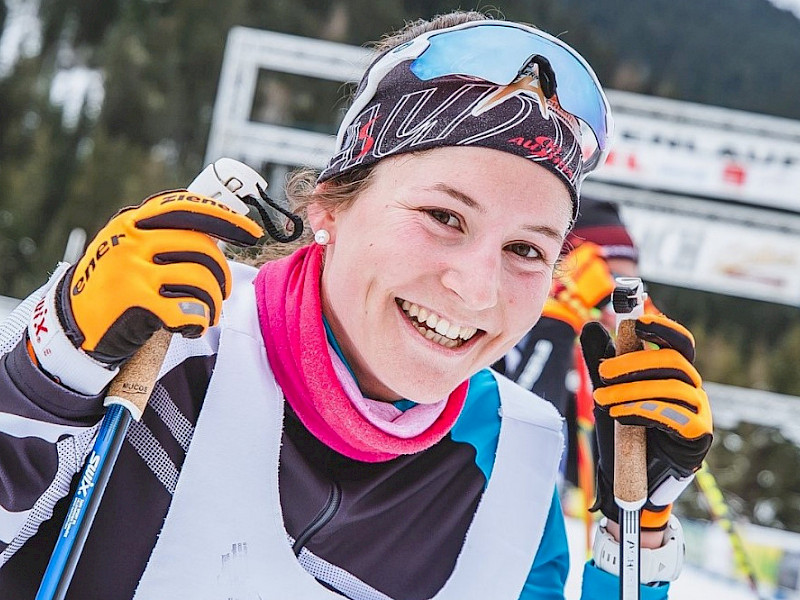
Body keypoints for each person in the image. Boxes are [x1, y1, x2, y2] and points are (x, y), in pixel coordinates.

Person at [0, 11, 712, 600]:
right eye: (444, 216)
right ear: (330, 206)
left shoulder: (514, 464)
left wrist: (636, 530)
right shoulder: (161, 343)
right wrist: (49, 368)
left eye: (527, 250)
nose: (477, 287)